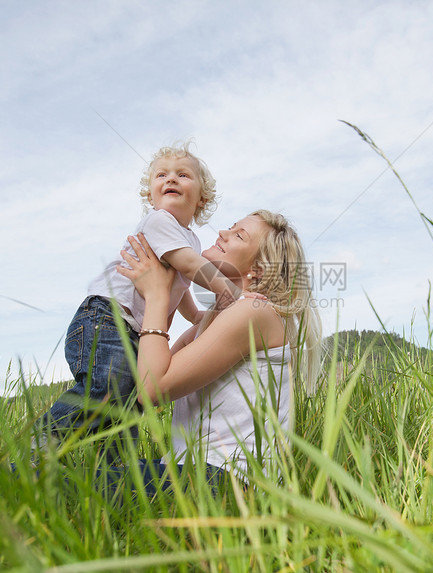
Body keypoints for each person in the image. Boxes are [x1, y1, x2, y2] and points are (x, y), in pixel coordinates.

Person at [35, 142, 242, 459]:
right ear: (151, 195)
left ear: (202, 198)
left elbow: (179, 284)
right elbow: (187, 266)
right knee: (106, 390)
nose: (170, 179)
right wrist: (228, 290)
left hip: (132, 331)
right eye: (162, 174)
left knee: (126, 410)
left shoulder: (190, 239)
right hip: (106, 318)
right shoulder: (160, 222)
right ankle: (43, 441)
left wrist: (195, 316)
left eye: (182, 174)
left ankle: (115, 471)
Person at [115, 209, 322, 484]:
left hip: (223, 479)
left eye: (239, 235)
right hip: (191, 469)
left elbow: (152, 389)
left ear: (258, 269)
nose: (222, 232)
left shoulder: (255, 311)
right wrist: (169, 285)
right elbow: (147, 378)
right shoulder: (213, 322)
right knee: (79, 471)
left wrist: (157, 295)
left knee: (55, 480)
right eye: (230, 227)